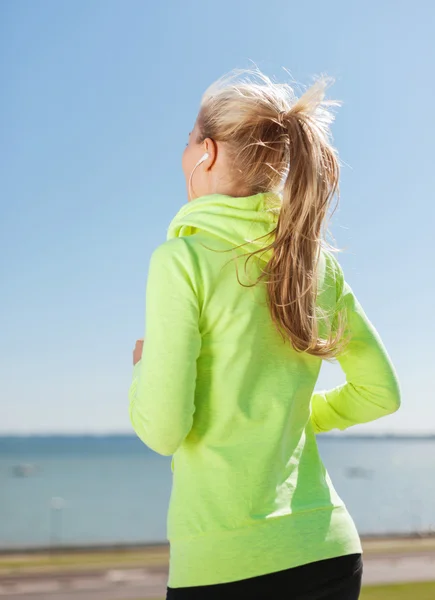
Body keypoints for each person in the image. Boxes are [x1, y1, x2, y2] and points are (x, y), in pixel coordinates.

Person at [129, 69, 401, 600]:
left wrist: (142, 372)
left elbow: (162, 430)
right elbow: (381, 394)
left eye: (187, 141)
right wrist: (292, 414)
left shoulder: (180, 260)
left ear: (205, 152)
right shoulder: (313, 265)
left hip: (226, 566)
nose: (183, 154)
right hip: (329, 552)